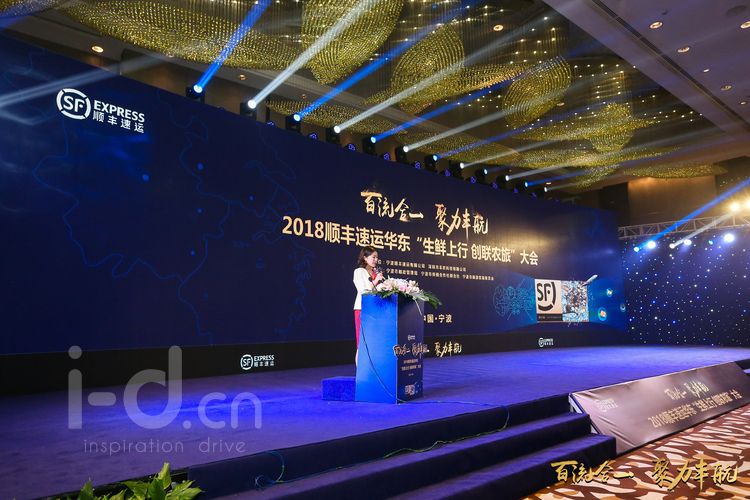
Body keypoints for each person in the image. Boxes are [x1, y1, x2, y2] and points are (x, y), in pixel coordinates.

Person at [353, 246, 384, 357]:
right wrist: (376, 281)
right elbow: (363, 291)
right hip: (363, 309)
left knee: (374, 341)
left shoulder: (376, 273)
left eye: (377, 257)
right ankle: (361, 367)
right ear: (365, 258)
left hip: (376, 310)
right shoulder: (359, 272)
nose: (376, 260)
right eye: (373, 257)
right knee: (362, 342)